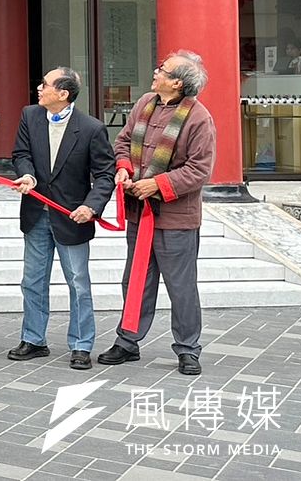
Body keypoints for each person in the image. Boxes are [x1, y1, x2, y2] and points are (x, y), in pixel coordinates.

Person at [98, 50, 216, 376]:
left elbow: (199, 170)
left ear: (177, 83)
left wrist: (156, 184)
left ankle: (188, 349)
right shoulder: (145, 104)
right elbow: (122, 142)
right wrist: (124, 169)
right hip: (139, 212)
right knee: (135, 280)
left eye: (162, 69)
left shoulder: (198, 118)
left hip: (176, 218)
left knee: (181, 287)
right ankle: (127, 341)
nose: (155, 72)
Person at [9, 67, 115, 370]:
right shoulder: (30, 116)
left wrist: (91, 207)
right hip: (36, 213)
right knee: (32, 280)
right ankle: (33, 339)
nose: (39, 88)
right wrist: (27, 175)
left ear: (63, 93)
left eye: (45, 85)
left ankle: (81, 345)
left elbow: (105, 175)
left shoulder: (91, 128)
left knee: (78, 283)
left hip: (72, 216)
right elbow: (21, 154)